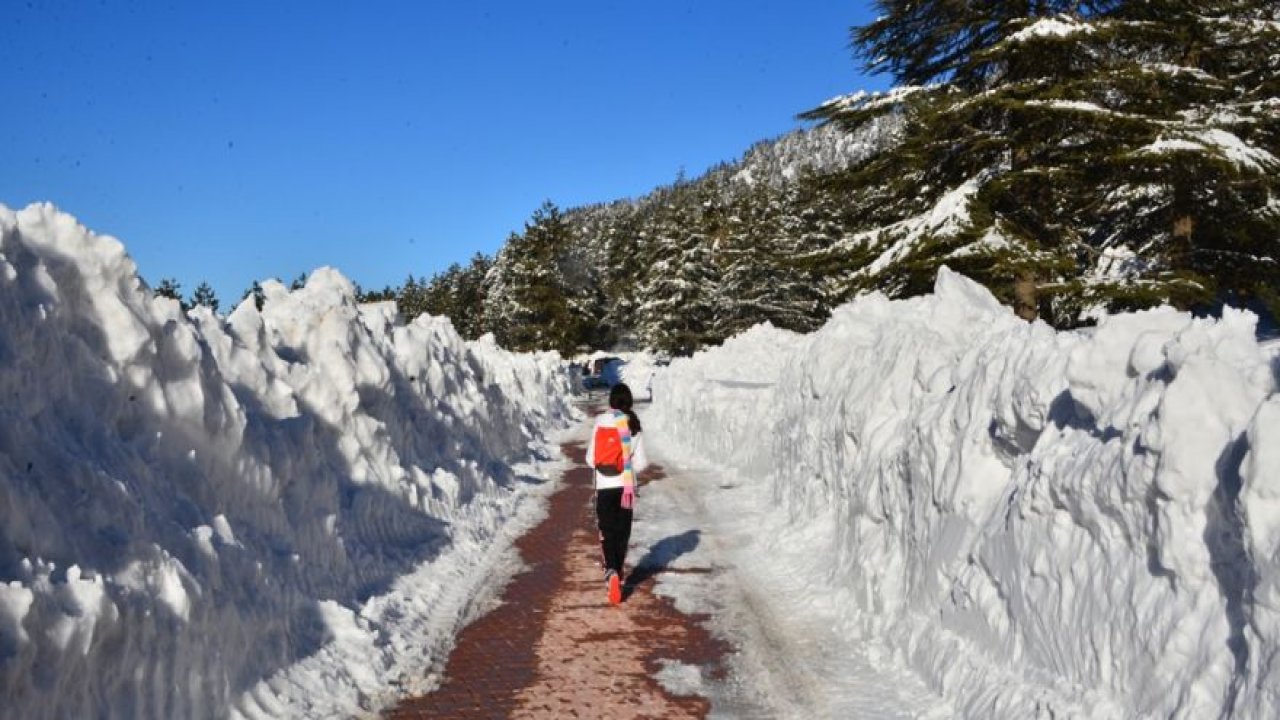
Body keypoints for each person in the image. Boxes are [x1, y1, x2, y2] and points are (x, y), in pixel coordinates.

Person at [585, 382, 648, 605]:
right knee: (622, 532)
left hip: (604, 486)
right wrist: (626, 463)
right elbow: (641, 463)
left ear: (611, 400)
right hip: (626, 488)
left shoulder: (600, 421)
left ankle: (611, 571)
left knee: (607, 531)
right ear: (629, 401)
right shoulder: (634, 425)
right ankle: (618, 573)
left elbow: (590, 458)